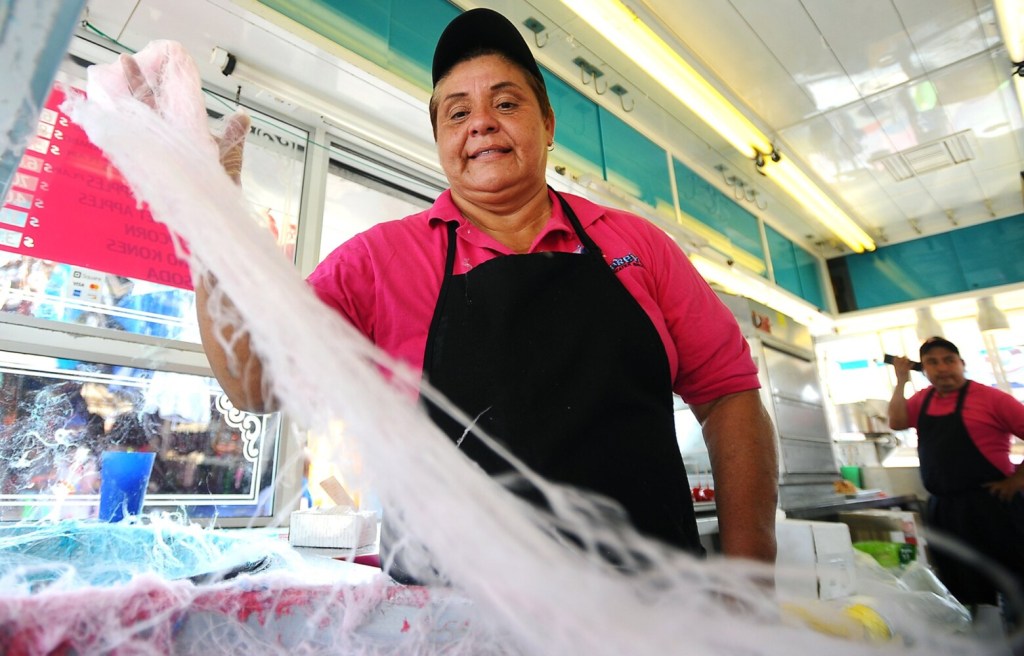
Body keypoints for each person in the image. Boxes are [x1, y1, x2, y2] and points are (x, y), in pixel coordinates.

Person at [191, 8, 778, 578]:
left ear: (548, 124)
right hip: (451, 620)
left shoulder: (637, 245)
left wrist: (749, 584)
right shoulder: (378, 262)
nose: (481, 124)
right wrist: (206, 208)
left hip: (654, 611)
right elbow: (254, 381)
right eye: (457, 112)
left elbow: (729, 395)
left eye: (506, 103)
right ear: (441, 139)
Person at [888, 336, 1024, 611]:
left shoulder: (993, 398)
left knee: (1014, 579)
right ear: (924, 369)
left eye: (948, 360)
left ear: (962, 363)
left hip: (993, 505)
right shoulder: (922, 399)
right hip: (945, 509)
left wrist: (1018, 480)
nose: (942, 368)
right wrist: (901, 381)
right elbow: (897, 421)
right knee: (965, 588)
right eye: (932, 362)